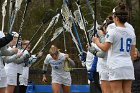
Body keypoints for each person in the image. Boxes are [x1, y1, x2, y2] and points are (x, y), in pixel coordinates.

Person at [93, 3, 136, 93]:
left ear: (116, 18)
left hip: (116, 65)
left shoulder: (112, 31)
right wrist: (129, 63)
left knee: (117, 91)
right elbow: (132, 53)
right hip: (128, 65)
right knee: (127, 91)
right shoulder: (131, 32)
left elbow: (105, 48)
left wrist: (96, 41)